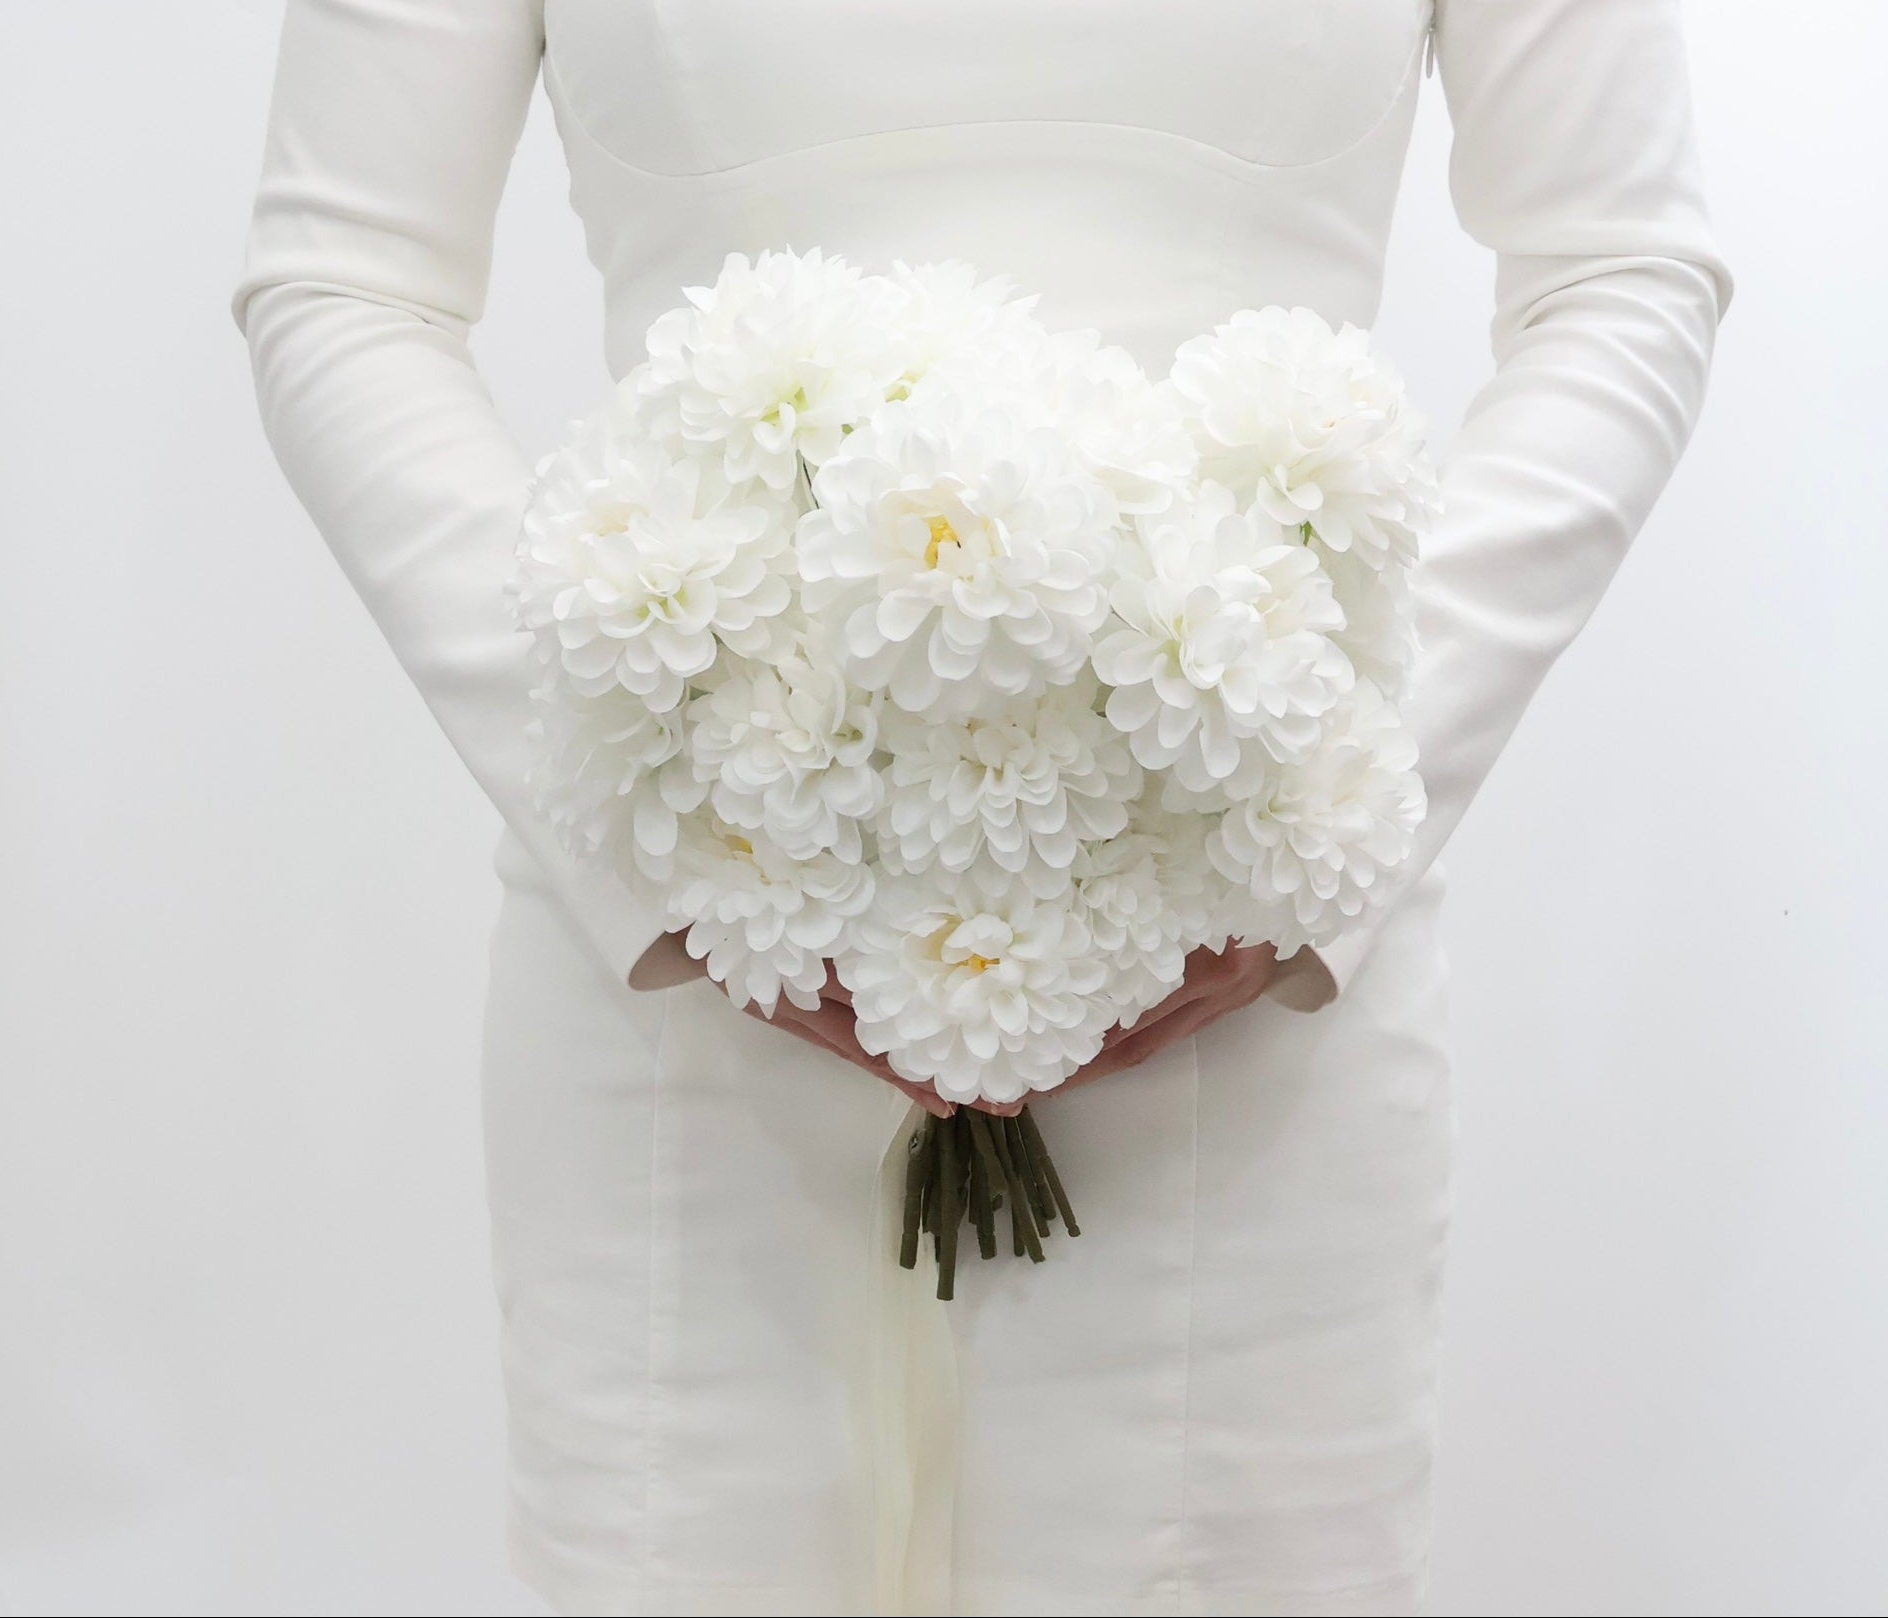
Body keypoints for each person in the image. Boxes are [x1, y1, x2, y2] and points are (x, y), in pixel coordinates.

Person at [236, 3, 1728, 1611]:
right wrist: (645, 829)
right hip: (702, 990)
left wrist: (1325, 801)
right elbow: (346, 280)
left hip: (1251, 992)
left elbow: (1620, 273)